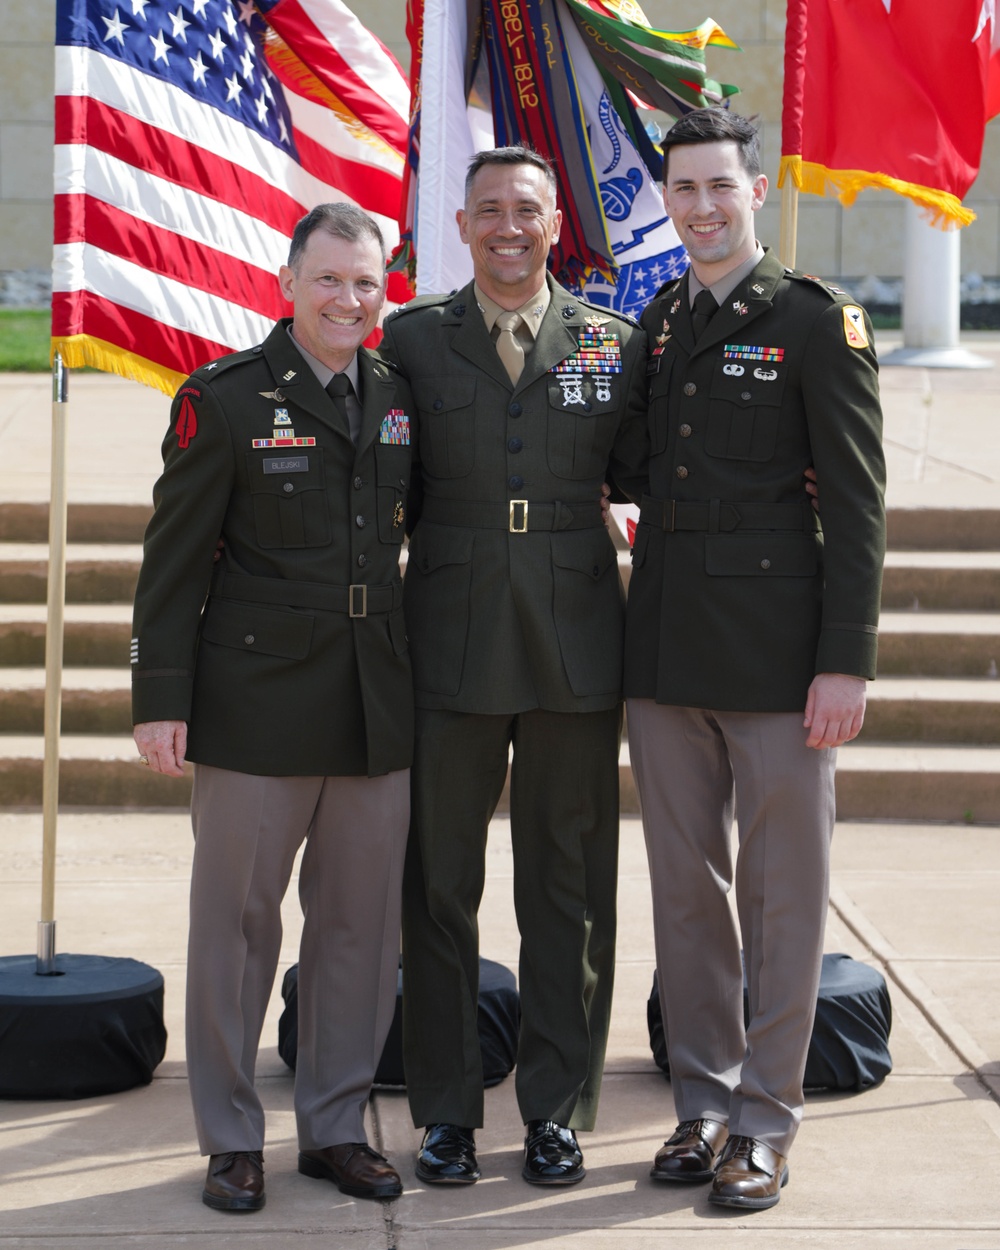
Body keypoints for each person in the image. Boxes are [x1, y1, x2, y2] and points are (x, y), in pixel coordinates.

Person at [625, 109, 886, 1211]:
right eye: (682, 189)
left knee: (784, 899)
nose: (700, 207)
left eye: (718, 187)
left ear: (756, 190)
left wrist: (846, 662)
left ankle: (765, 1120)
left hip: (783, 665)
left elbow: (858, 508)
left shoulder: (816, 323)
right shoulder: (659, 315)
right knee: (685, 896)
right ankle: (701, 1100)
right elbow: (633, 463)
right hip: (665, 657)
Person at [131, 204, 415, 1211]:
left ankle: (335, 1126)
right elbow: (173, 563)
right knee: (236, 926)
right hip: (254, 699)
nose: (348, 299)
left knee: (356, 928)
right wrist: (161, 697)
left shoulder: (397, 394)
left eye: (366, 282)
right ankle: (230, 1136)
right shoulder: (229, 397)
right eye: (329, 279)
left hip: (375, 697)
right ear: (287, 282)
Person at [379, 147, 648, 1187]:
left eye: (524, 209)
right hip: (445, 634)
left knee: (567, 884)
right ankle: (445, 1108)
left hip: (576, 636)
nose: (506, 226)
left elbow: (658, 463)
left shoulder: (611, 344)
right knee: (439, 882)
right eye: (487, 209)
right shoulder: (410, 342)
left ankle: (555, 1105)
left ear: (552, 222)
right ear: (460, 223)